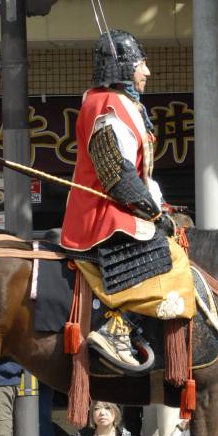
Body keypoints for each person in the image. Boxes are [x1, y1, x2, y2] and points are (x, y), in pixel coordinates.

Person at [60, 29, 193, 369]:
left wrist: (160, 206)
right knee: (169, 258)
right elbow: (116, 174)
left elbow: (138, 174)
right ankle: (116, 327)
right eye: (140, 65)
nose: (146, 73)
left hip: (118, 205)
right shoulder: (106, 105)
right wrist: (152, 213)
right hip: (104, 212)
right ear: (123, 69)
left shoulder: (123, 103)